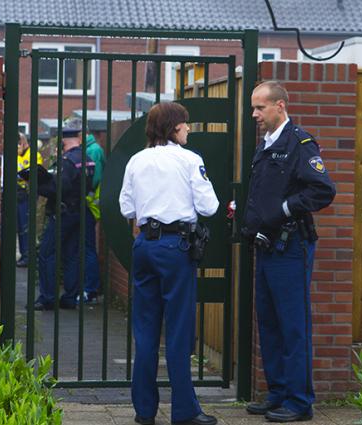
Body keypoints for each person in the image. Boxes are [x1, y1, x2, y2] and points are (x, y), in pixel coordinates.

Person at [119, 102, 219, 425]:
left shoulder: (136, 160)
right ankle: (185, 411)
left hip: (144, 246)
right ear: (174, 127)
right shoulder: (190, 160)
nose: (188, 129)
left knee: (145, 329)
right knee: (178, 330)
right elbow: (210, 206)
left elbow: (126, 207)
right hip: (176, 247)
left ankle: (144, 410)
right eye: (185, 124)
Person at [241, 81, 336, 423]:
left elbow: (323, 190)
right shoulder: (266, 145)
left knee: (293, 325)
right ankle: (278, 392)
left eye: (260, 108)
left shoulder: (299, 143)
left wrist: (284, 209)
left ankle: (299, 402)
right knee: (269, 322)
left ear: (279, 106)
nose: (254, 115)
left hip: (291, 246)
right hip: (267, 246)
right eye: (254, 108)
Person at [31, 125, 94, 311]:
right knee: (72, 255)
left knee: (47, 254)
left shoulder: (67, 161)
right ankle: (70, 298)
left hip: (63, 213)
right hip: (80, 211)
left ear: (64, 141)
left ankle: (48, 298)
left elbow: (59, 189)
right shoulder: (87, 159)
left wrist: (38, 185)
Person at [80, 132, 105, 304]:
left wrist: (85, 196)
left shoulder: (93, 150)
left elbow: (94, 179)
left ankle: (91, 289)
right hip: (88, 204)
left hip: (90, 205)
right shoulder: (89, 148)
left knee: (88, 248)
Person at [16, 132, 43, 268]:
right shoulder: (16, 155)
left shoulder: (34, 155)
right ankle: (23, 254)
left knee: (25, 226)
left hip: (27, 194)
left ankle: (28, 256)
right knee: (17, 227)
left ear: (23, 142)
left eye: (19, 143)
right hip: (15, 193)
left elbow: (36, 173)